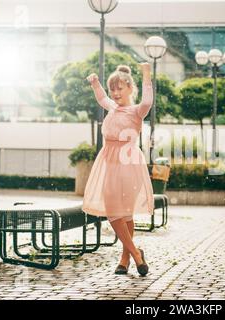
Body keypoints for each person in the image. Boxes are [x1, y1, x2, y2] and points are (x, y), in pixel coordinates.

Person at [83, 62, 154, 276]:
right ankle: (136, 254)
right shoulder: (112, 108)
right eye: (112, 88)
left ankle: (125, 258)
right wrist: (95, 83)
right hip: (109, 162)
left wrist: (146, 72)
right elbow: (102, 98)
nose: (115, 93)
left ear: (131, 88)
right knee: (114, 212)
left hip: (129, 163)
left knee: (125, 214)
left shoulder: (137, 111)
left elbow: (148, 99)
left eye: (119, 88)